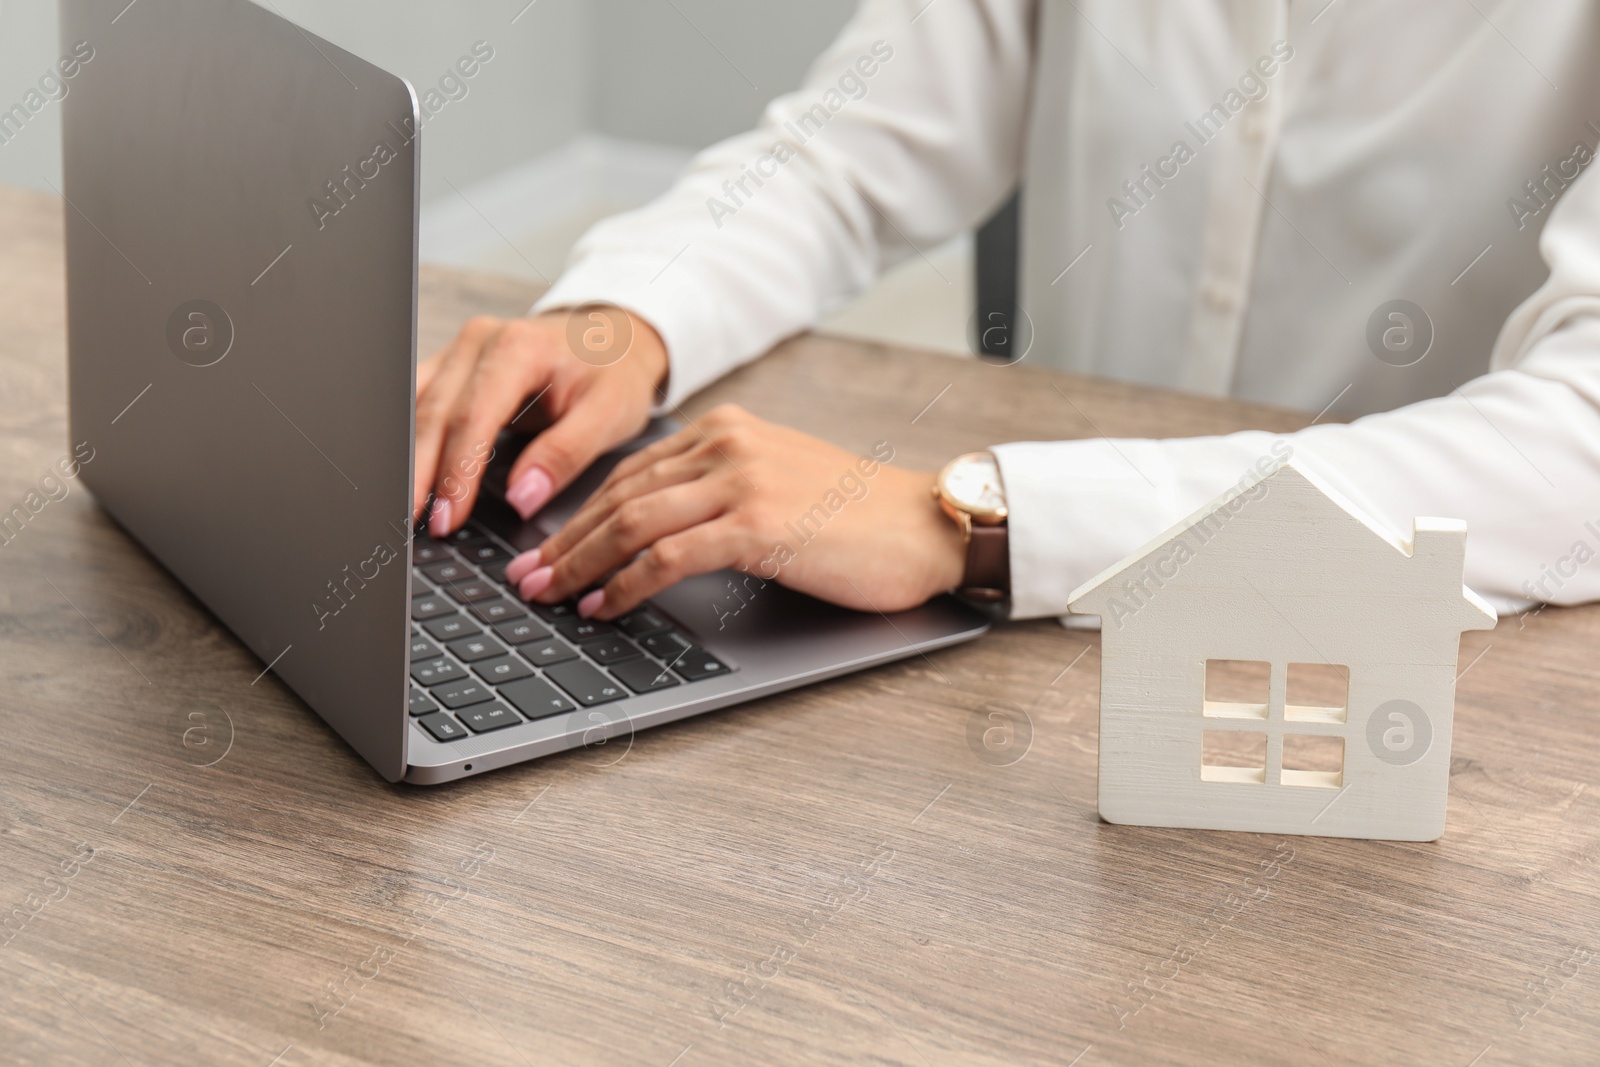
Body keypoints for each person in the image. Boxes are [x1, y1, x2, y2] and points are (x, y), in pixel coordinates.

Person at [413, 1, 1600, 624]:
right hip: (1028, 660)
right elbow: (848, 150)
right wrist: (624, 319)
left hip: (1434, 683)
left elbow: (1577, 448)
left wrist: (976, 522)